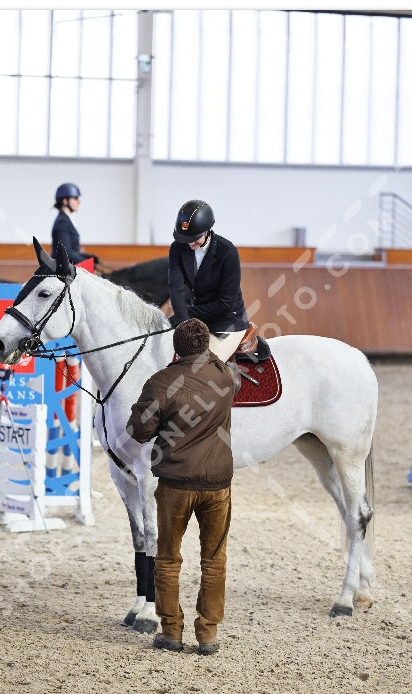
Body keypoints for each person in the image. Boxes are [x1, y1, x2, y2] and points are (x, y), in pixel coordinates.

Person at [126, 318, 236, 656]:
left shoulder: (161, 381)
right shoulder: (224, 376)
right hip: (218, 484)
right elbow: (219, 356)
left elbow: (139, 431)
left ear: (175, 348)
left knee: (168, 559)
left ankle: (171, 632)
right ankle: (208, 636)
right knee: (214, 560)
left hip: (175, 484)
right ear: (206, 347)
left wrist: (140, 408)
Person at [168, 199, 250, 362]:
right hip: (194, 318)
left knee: (200, 366)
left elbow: (225, 303)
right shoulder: (178, 247)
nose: (190, 242)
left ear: (208, 230)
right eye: (186, 238)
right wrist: (182, 319)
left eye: (195, 238)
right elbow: (175, 286)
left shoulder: (228, 252)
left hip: (227, 321)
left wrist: (187, 314)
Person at [52, 183, 92, 266]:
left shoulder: (66, 219)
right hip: (61, 269)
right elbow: (66, 253)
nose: (79, 202)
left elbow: (72, 251)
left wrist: (89, 258)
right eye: (75, 198)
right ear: (65, 201)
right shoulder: (62, 222)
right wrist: (88, 264)